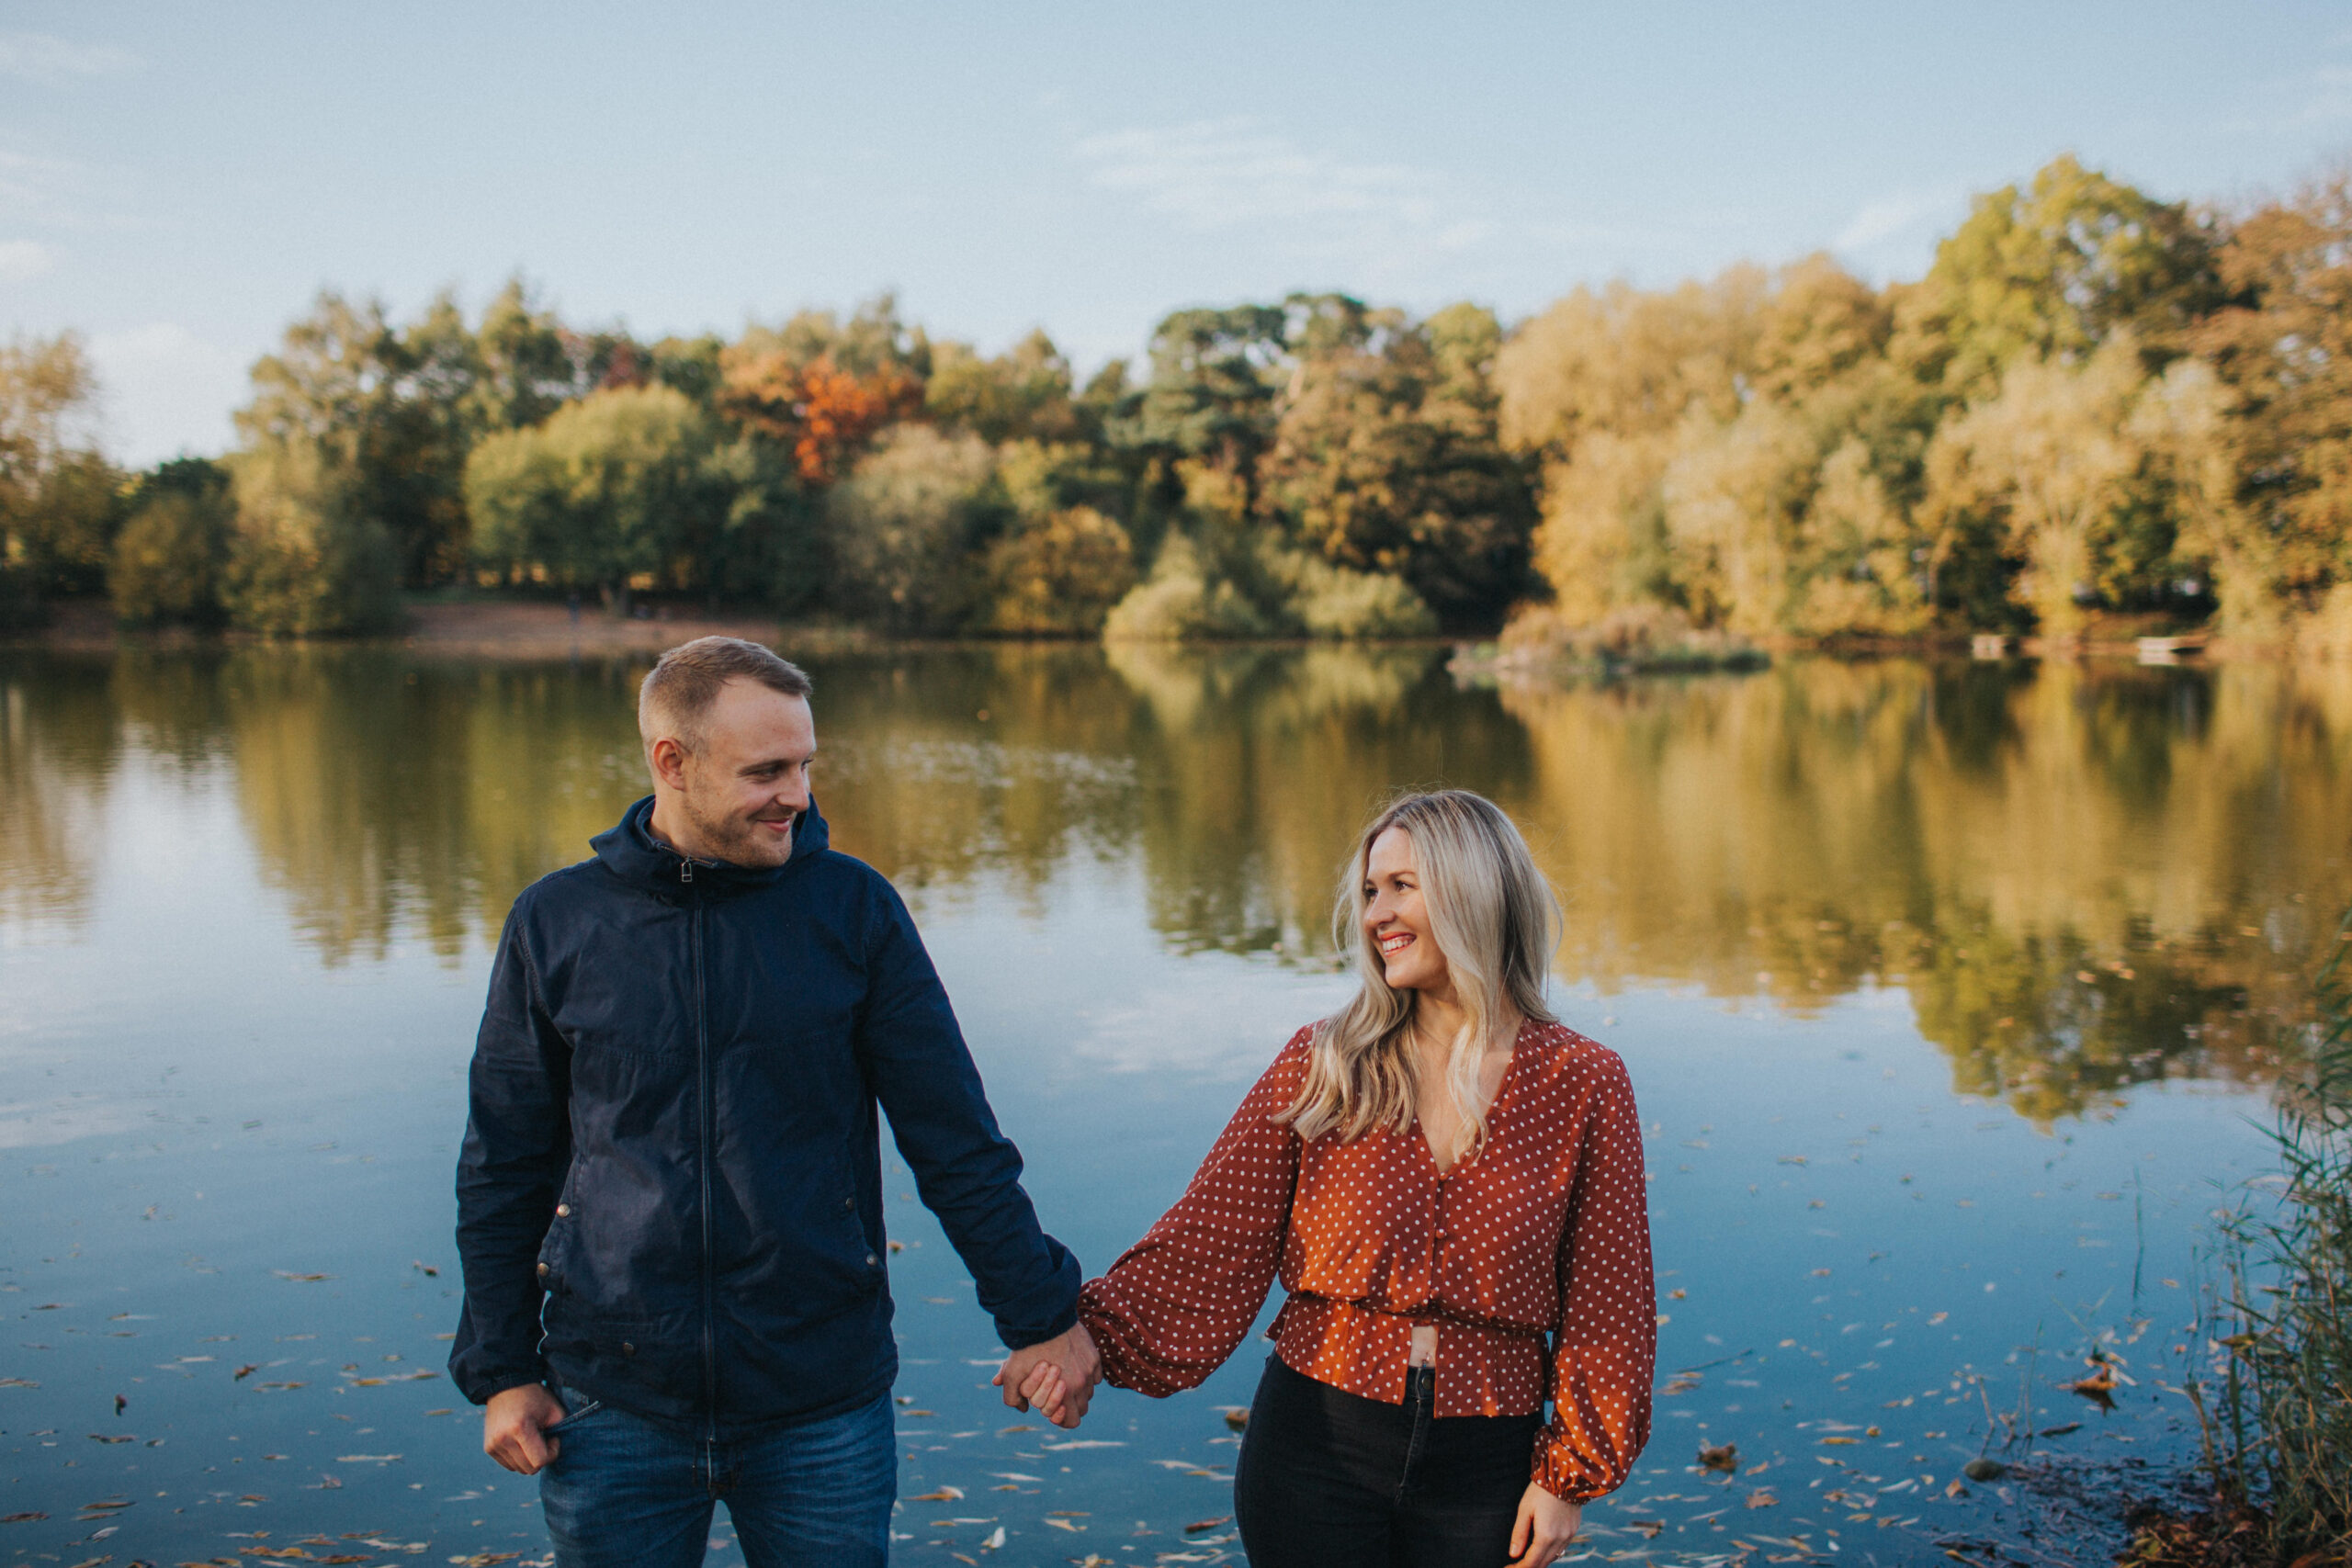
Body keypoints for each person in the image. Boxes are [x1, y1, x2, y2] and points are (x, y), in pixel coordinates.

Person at [450, 636, 1098, 1568]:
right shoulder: (560, 924)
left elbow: (953, 1139)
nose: (797, 793)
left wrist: (1039, 1316)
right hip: (611, 1401)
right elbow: (503, 1164)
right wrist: (503, 1370)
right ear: (671, 762)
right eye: (767, 770)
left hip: (820, 1404)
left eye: (803, 765)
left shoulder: (853, 913)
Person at [1014, 790, 1655, 1568]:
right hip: (1316, 1448)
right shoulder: (1325, 1064)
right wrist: (1074, 1337)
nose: (1377, 912)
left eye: (1401, 886)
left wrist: (1569, 1480)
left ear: (1474, 889)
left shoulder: (1583, 1081)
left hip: (1489, 1461)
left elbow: (1609, 1300)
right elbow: (1213, 1236)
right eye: (1369, 890)